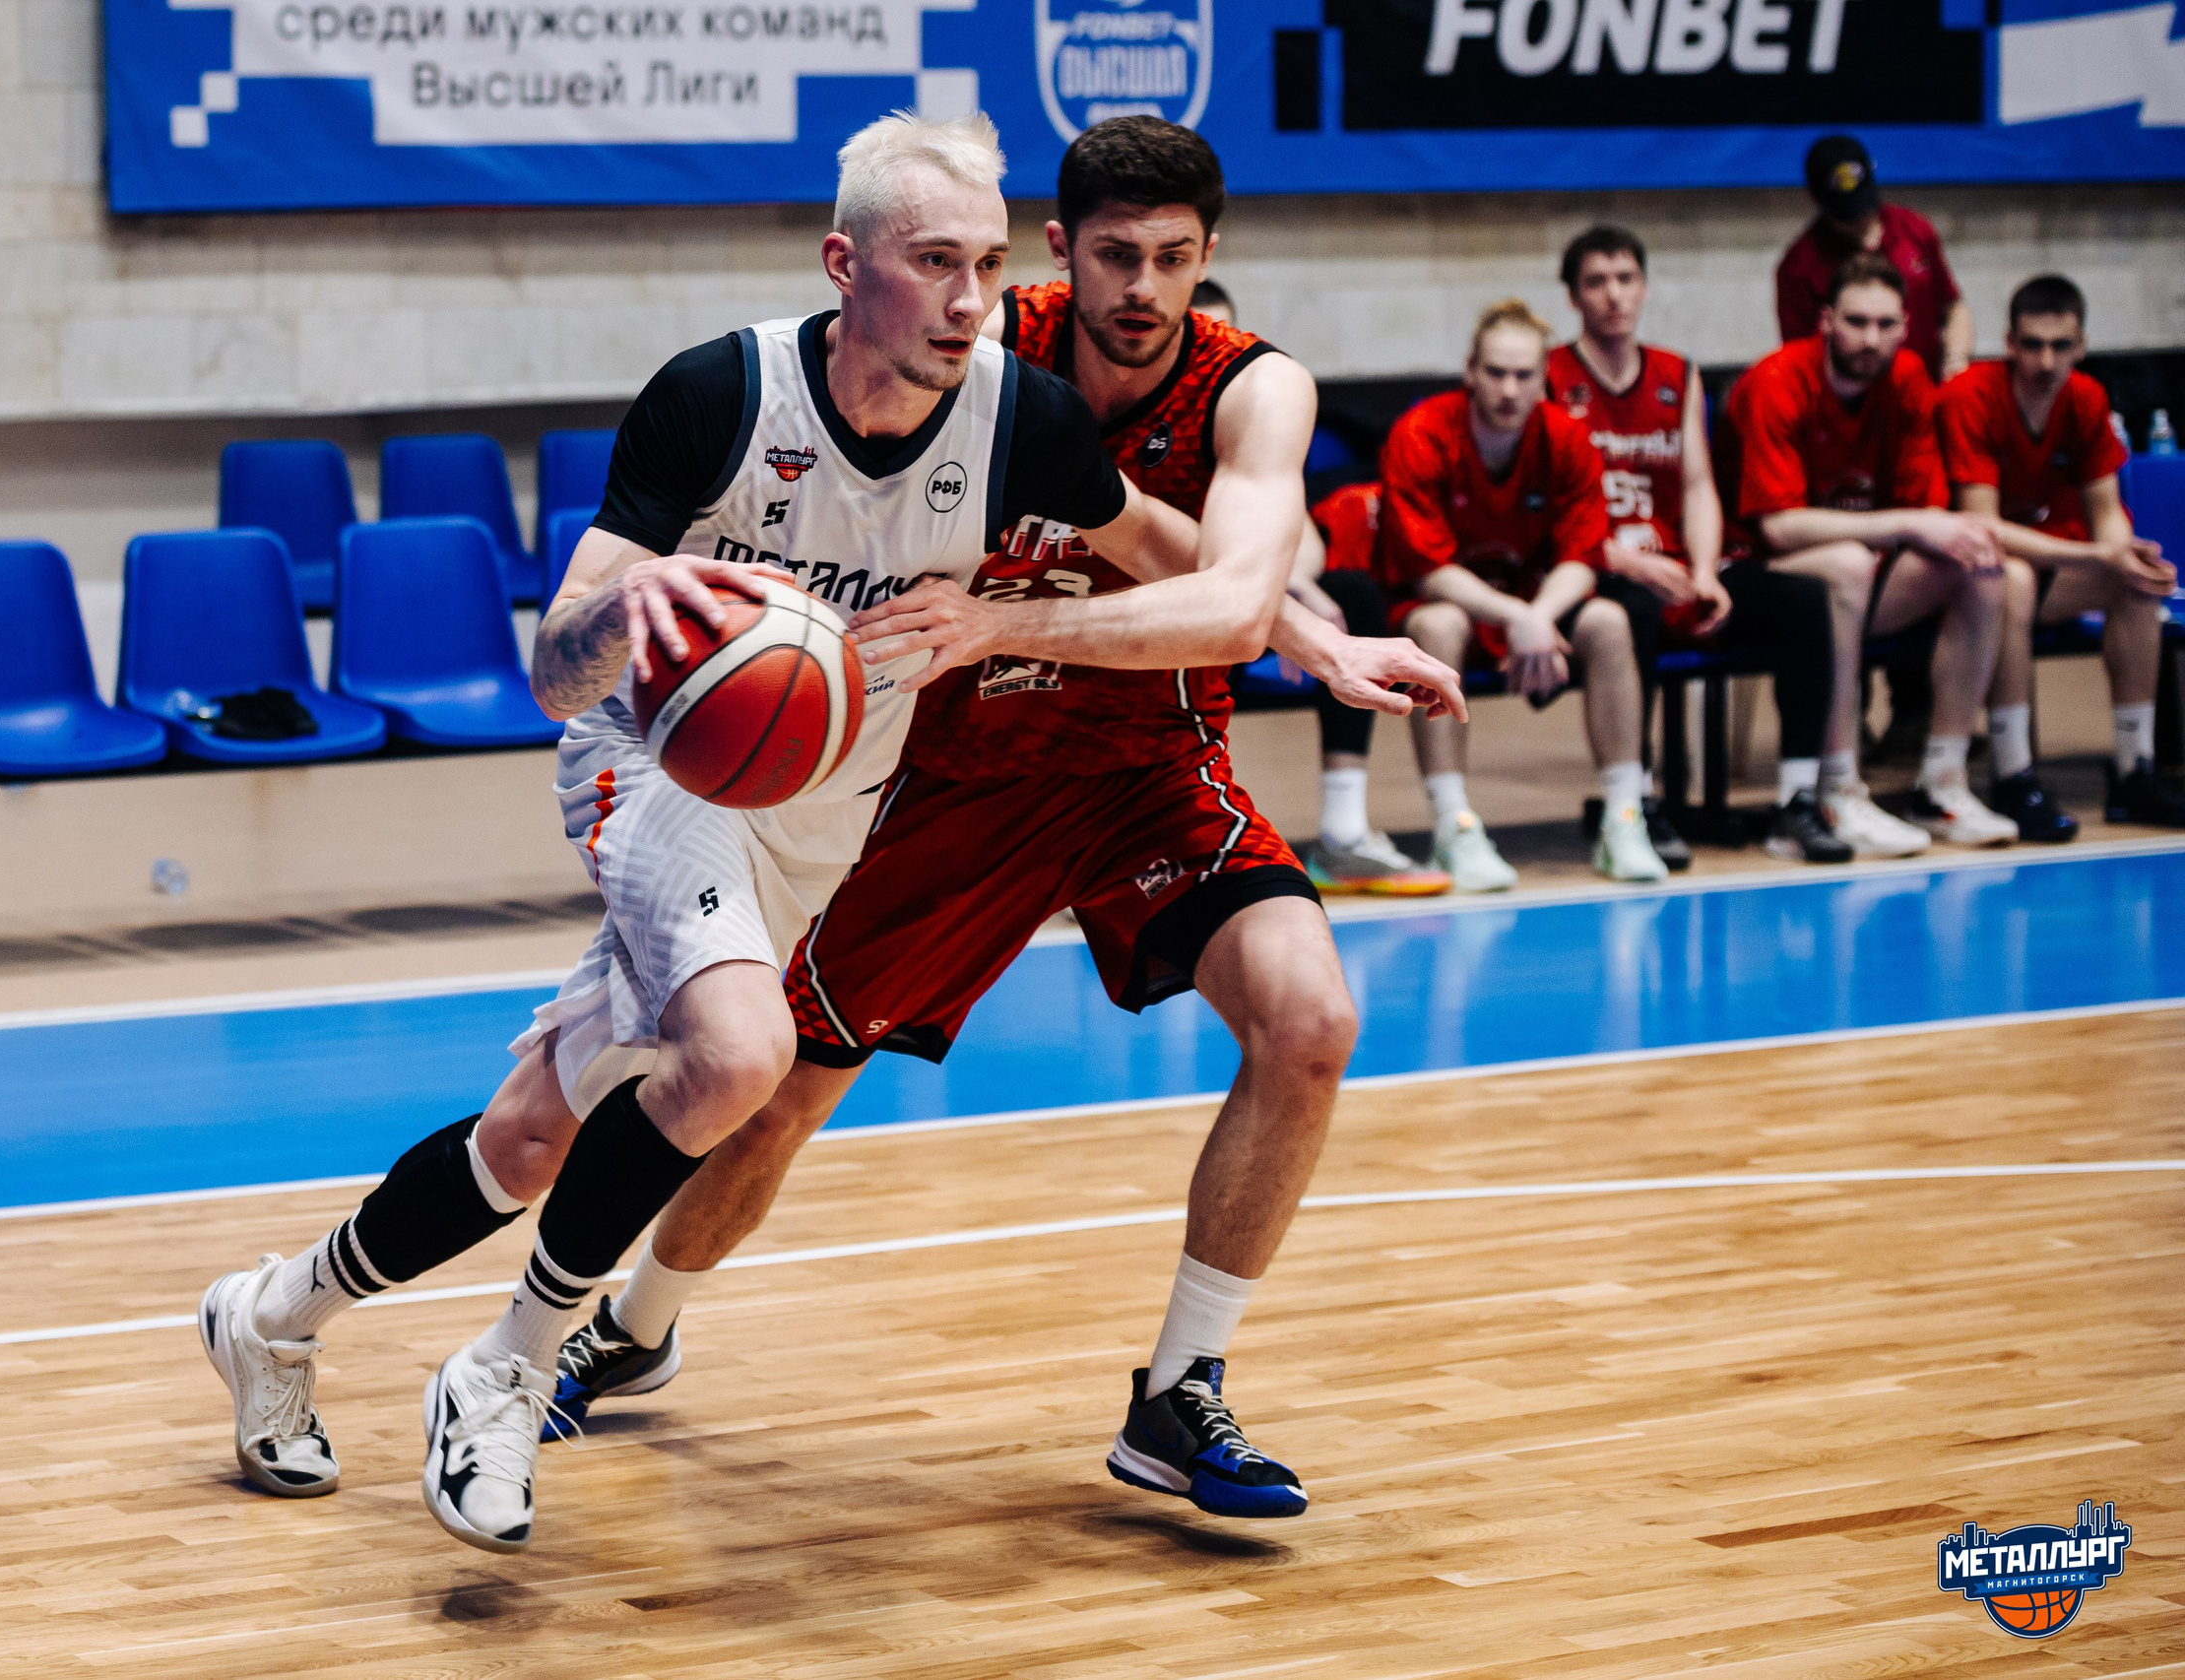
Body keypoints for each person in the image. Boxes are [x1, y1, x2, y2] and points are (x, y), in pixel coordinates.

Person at [193, 110, 1448, 1553]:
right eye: (936, 263)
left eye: (983, 266)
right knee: (745, 1057)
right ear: (847, 265)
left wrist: (1316, 640)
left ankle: (274, 1313)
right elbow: (556, 669)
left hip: (837, 800)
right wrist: (619, 615)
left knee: (539, 1135)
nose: (970, 300)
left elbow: (1188, 559)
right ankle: (506, 1365)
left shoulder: (1015, 410)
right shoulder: (720, 395)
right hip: (667, 769)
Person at [1550, 225, 1851, 865]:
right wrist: (1625, 560)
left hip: (1676, 561)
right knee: (1633, 609)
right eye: (1597, 282)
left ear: (1645, 288)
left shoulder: (1675, 374)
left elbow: (1696, 486)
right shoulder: (1552, 379)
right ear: (1573, 295)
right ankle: (1639, 798)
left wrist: (1708, 570)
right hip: (1600, 564)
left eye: (1625, 279)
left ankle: (1799, 798)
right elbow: (1553, 508)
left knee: (1801, 598)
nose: (1613, 295)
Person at [1719, 250, 2016, 852]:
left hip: (1860, 573)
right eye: (1856, 322)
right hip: (1755, 577)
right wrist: (1907, 523)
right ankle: (1839, 789)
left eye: (1885, 325)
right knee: (1846, 564)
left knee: (1981, 565)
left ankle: (1943, 783)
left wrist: (1923, 527)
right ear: (1825, 320)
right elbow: (1778, 528)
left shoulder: (1908, 379)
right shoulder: (1777, 380)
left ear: (1907, 328)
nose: (1870, 339)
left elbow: (1923, 515)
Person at [1375, 298, 1669, 891]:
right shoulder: (1421, 433)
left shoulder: (1566, 439)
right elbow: (1429, 570)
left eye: (1524, 375)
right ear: (1469, 372)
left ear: (1545, 381)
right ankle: (1454, 826)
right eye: (1495, 373)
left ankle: (1624, 817)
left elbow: (1583, 559)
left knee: (1610, 621)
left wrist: (1537, 616)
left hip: (1536, 612)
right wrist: (1519, 617)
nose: (1509, 389)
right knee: (1436, 628)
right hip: (1459, 608)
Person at [1938, 274, 2185, 832]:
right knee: (2014, 578)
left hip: (2051, 562)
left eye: (2060, 345)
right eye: (2032, 344)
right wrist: (2097, 558)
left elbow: (2106, 513)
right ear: (2008, 343)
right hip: (1966, 574)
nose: (2046, 360)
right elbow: (1984, 527)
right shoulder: (1970, 396)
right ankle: (2013, 775)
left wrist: (2121, 555)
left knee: (2136, 579)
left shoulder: (2087, 398)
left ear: (2081, 346)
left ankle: (2134, 771)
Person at [1298, 479, 1455, 892]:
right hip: (1182, 598)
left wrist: (1295, 592)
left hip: (1264, 596)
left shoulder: (1243, 427)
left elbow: (1297, 527)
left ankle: (1343, 837)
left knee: (1352, 594)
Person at [1776, 135, 1970, 385]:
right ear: (1813, 196)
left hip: (1924, 392)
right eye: (1845, 213)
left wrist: (1955, 361)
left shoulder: (1914, 229)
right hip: (1854, 409)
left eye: (1862, 205)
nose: (1858, 218)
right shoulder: (1799, 267)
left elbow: (1953, 307)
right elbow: (1801, 360)